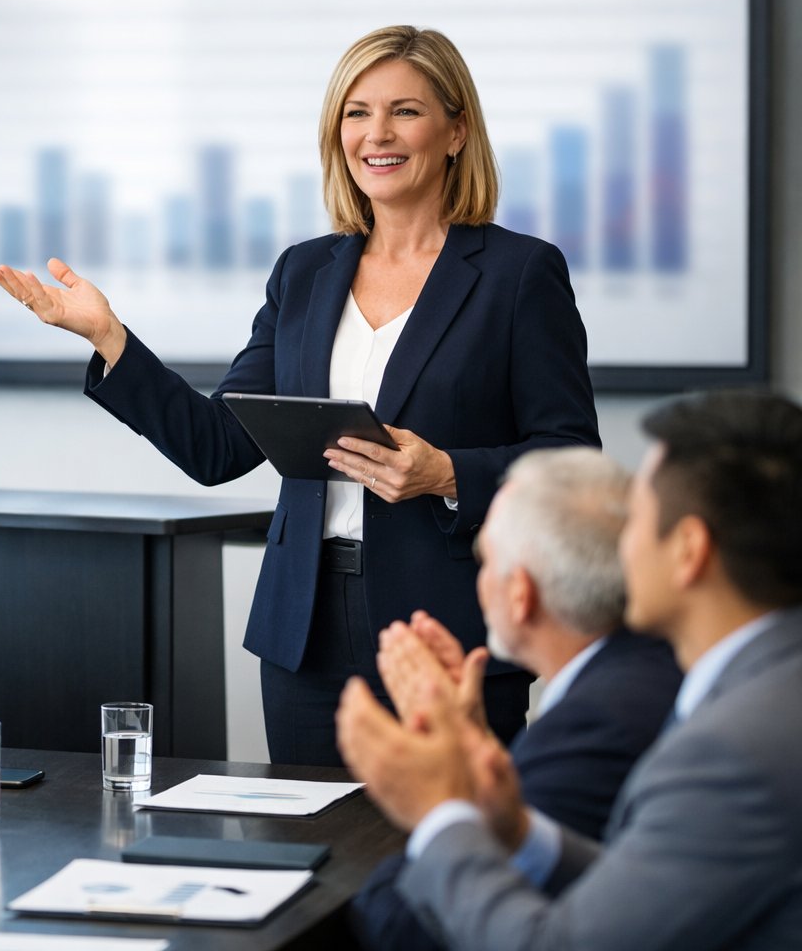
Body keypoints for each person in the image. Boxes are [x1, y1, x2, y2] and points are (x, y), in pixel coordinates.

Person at [0, 25, 599, 765]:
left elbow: (573, 461)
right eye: (356, 112)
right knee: (309, 834)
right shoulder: (304, 272)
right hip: (305, 629)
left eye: (404, 111)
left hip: (445, 628)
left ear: (457, 130)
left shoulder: (519, 273)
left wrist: (446, 473)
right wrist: (111, 339)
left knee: (443, 830)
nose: (377, 134)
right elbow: (218, 447)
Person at [337, 390, 802, 950]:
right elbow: (638, 901)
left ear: (689, 550)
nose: (618, 546)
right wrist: (516, 830)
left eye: (637, 520)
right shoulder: (765, 688)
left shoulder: (732, 751)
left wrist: (441, 812)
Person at [349, 447, 681, 950]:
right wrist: (471, 744)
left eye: (484, 560)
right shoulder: (650, 668)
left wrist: (438, 806)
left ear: (521, 595)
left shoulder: (593, 723)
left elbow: (404, 923)